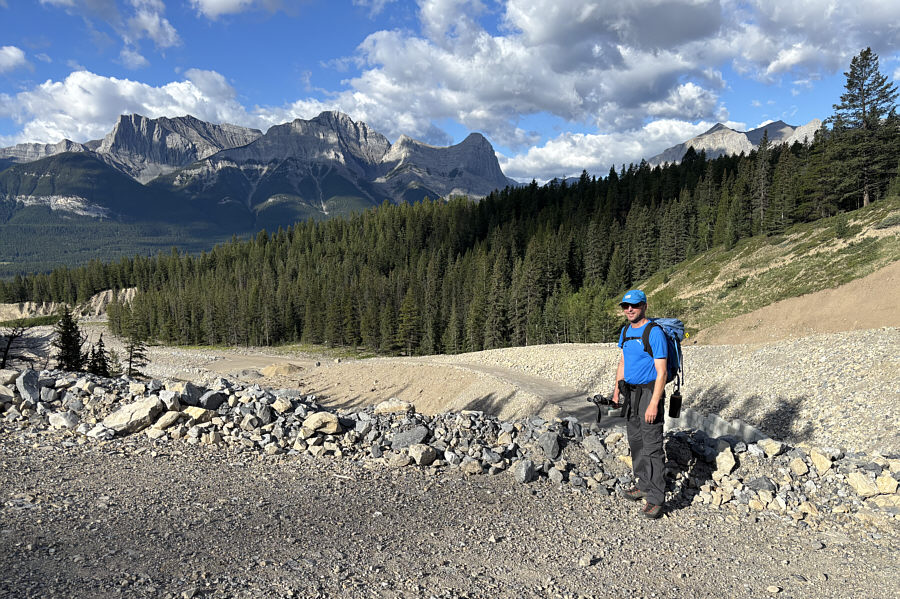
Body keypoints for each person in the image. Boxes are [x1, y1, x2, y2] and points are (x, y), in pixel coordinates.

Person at [612, 289, 667, 519]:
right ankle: (643, 484)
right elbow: (623, 363)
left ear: (644, 306)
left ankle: (655, 499)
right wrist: (616, 392)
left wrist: (654, 403)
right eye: (626, 306)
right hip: (631, 394)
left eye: (634, 305)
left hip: (649, 392)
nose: (629, 310)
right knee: (636, 441)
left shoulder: (654, 333)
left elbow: (662, 372)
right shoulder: (625, 331)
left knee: (652, 444)